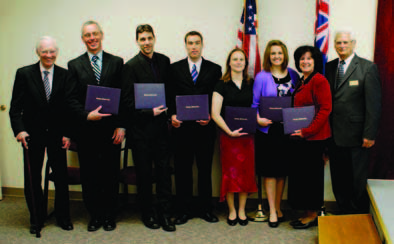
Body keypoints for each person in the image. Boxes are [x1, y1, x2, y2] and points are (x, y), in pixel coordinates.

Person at [9, 36, 73, 234]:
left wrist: (68, 133)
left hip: (57, 135)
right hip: (32, 136)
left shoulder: (65, 74)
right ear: (38, 52)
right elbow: (15, 108)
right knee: (32, 178)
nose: (49, 55)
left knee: (61, 177)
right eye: (45, 51)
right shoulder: (24, 74)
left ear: (57, 52)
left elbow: (69, 108)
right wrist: (19, 130)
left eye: (52, 51)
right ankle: (36, 217)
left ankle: (63, 217)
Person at [67, 20, 125, 232]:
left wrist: (121, 126)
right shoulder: (74, 65)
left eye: (94, 34)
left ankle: (109, 215)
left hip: (111, 131)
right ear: (83, 39)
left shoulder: (117, 62)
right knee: (90, 175)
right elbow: (71, 98)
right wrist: (86, 115)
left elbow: (124, 96)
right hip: (87, 131)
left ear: (101, 35)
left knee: (110, 173)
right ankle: (95, 215)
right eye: (87, 35)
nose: (91, 38)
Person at [121, 24, 175, 232]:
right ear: (137, 41)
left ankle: (164, 214)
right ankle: (147, 214)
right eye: (142, 39)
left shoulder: (164, 61)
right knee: (144, 175)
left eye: (149, 38)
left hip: (162, 130)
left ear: (154, 38)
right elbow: (126, 102)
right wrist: (148, 112)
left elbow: (169, 92)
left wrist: (171, 112)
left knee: (163, 174)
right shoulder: (130, 66)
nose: (146, 42)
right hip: (141, 132)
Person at [169, 31, 222, 225]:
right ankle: (183, 210)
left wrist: (211, 114)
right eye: (190, 43)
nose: (194, 46)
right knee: (183, 171)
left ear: (202, 45)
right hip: (181, 130)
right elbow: (169, 96)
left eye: (197, 43)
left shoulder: (215, 69)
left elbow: (217, 98)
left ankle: (206, 209)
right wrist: (171, 116)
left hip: (204, 129)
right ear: (185, 45)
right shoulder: (174, 69)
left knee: (204, 170)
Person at [325, 31, 381, 214]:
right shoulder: (330, 67)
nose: (342, 46)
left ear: (353, 44)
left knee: (356, 179)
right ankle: (342, 211)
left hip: (357, 136)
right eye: (338, 43)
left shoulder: (367, 67)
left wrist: (370, 134)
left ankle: (357, 216)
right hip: (334, 134)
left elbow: (373, 105)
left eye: (345, 42)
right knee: (338, 176)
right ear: (334, 45)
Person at [252, 40, 299, 227]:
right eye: (273, 53)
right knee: (270, 172)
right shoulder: (261, 77)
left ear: (284, 55)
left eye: (279, 53)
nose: (276, 56)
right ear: (268, 56)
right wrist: (258, 120)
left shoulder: (294, 75)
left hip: (287, 131)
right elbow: (254, 104)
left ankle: (278, 206)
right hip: (268, 130)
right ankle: (271, 210)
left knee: (282, 172)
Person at [211, 48, 258, 226]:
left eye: (241, 59)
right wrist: (229, 131)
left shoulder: (251, 83)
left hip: (248, 137)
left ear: (245, 63)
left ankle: (241, 210)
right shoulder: (221, 84)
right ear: (229, 63)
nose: (238, 62)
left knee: (246, 174)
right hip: (228, 137)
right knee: (230, 175)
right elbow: (215, 113)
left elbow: (257, 107)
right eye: (234, 59)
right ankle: (231, 211)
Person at [288, 46, 331, 229]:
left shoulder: (319, 80)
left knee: (311, 179)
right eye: (302, 58)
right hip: (302, 138)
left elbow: (325, 109)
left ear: (315, 61)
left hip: (314, 139)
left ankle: (312, 215)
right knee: (303, 177)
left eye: (309, 58)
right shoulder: (302, 80)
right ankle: (307, 212)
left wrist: (306, 131)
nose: (305, 61)